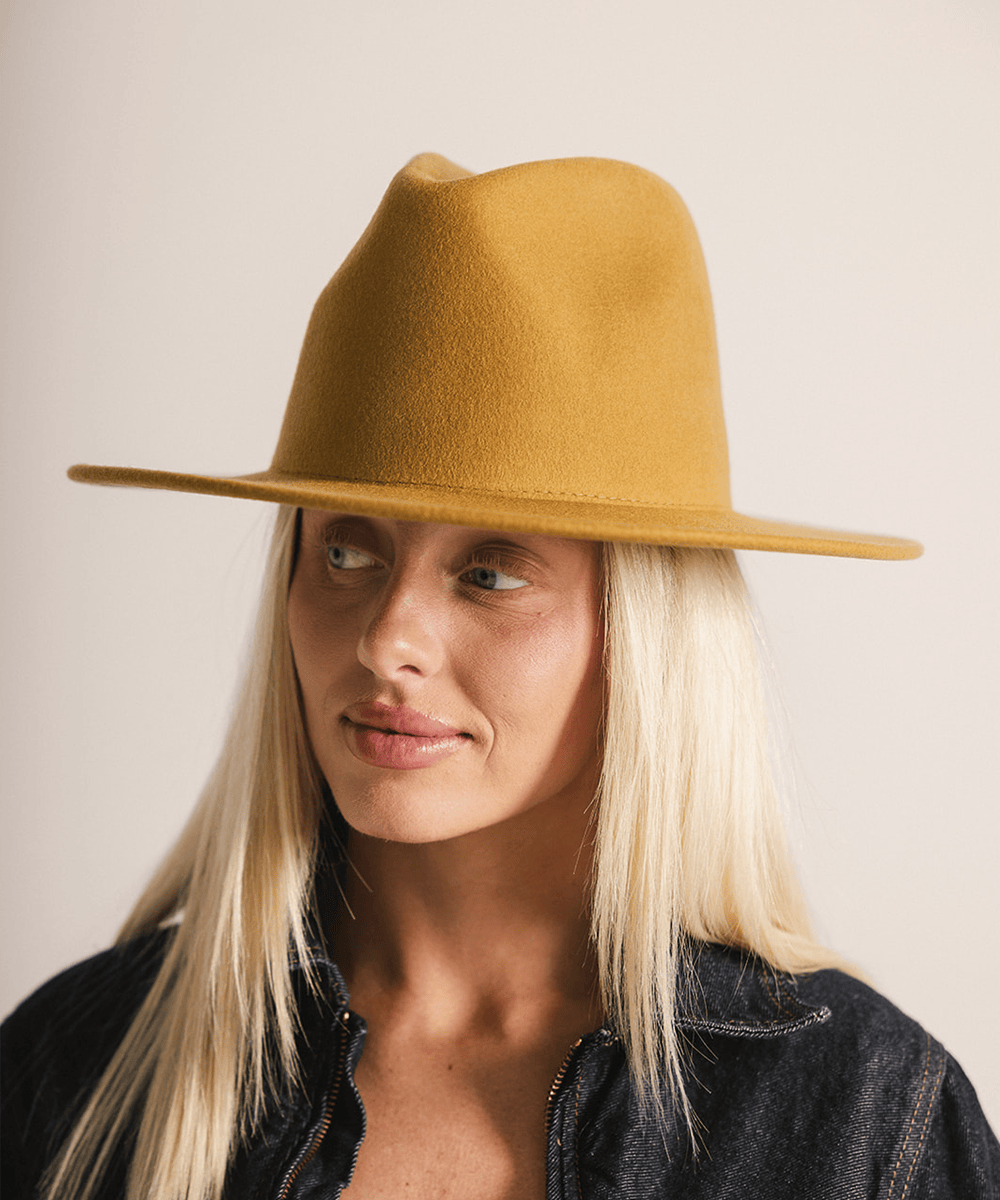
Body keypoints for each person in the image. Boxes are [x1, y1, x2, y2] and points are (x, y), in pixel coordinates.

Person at [2, 153, 996, 1200]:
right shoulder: (83, 1072)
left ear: (642, 641)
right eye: (345, 551)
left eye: (488, 574)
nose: (389, 641)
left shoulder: (862, 1116)